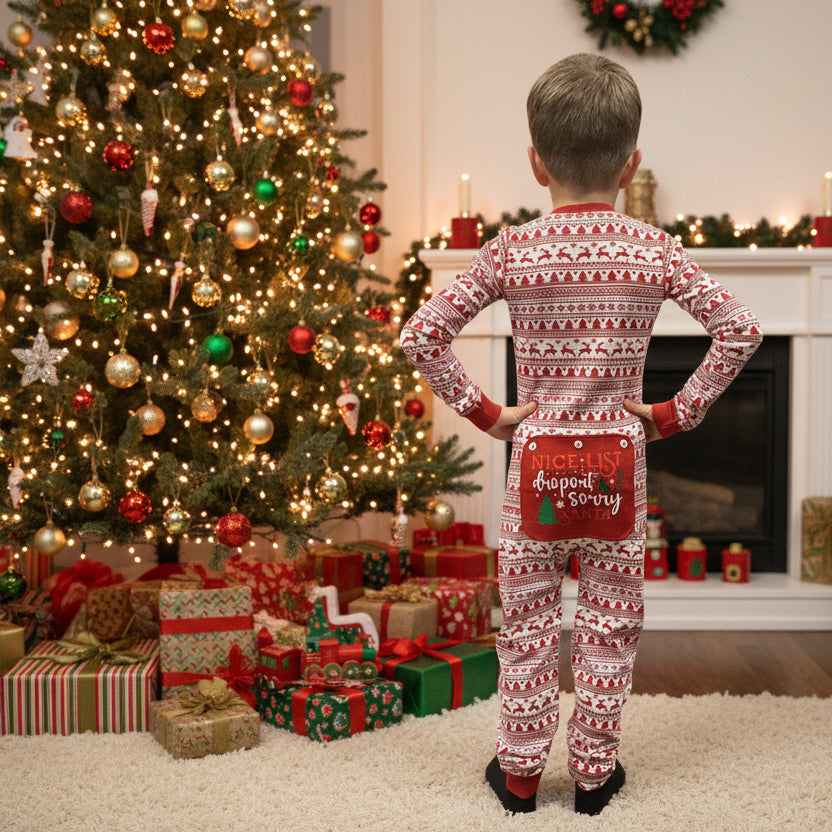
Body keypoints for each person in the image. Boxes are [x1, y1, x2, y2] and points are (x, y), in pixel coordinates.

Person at [400, 53, 763, 816]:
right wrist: (673, 413)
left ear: (536, 164)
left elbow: (423, 335)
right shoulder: (653, 249)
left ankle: (522, 774)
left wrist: (486, 413)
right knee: (608, 625)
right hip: (616, 475)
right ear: (631, 163)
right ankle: (595, 777)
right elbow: (740, 330)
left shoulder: (510, 251)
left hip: (535, 468)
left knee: (526, 625)